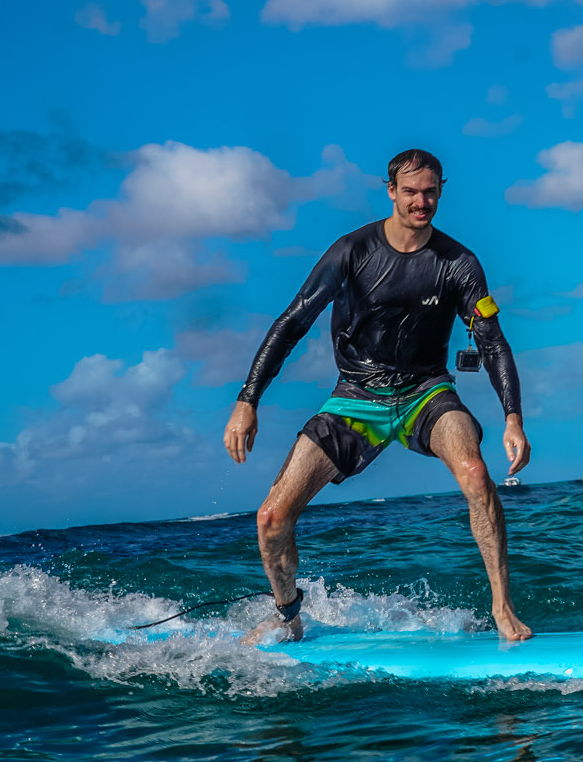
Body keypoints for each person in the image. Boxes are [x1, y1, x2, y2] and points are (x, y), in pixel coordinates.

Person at [222, 148, 533, 643]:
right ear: (391, 191)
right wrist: (248, 399)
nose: (421, 201)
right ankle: (289, 618)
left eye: (430, 191)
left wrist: (512, 417)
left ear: (441, 191)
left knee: (475, 472)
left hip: (424, 393)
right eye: (410, 191)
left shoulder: (459, 264)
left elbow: (491, 340)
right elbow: (291, 322)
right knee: (272, 517)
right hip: (355, 399)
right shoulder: (351, 251)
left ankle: (502, 607)